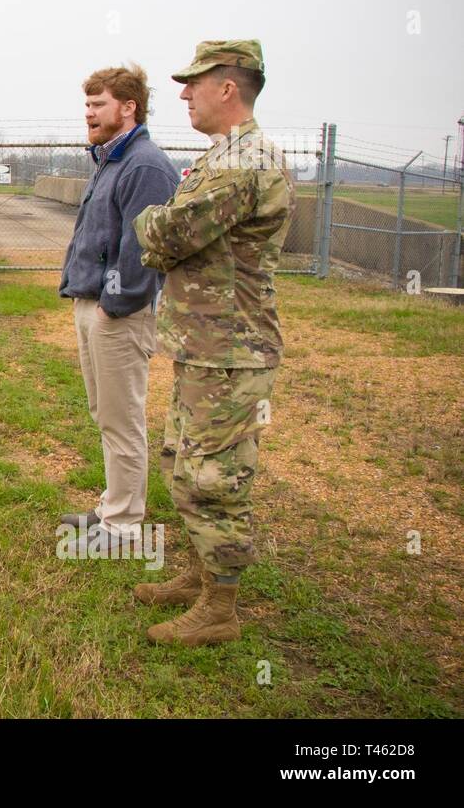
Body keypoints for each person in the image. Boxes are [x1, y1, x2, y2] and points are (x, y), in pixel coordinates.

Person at [132, 40, 295, 646]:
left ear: (228, 87)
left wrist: (152, 226)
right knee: (181, 461)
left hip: (231, 350)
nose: (183, 94)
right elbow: (174, 234)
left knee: (212, 477)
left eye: (194, 83)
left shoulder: (244, 162)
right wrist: (162, 231)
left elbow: (168, 231)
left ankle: (220, 608)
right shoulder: (224, 156)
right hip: (206, 345)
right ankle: (202, 577)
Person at [58, 65, 179, 545]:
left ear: (128, 107)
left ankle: (125, 526)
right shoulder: (111, 160)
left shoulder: (144, 165)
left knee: (122, 418)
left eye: (98, 104)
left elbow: (144, 248)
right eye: (86, 105)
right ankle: (113, 508)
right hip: (94, 305)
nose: (88, 113)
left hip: (118, 314)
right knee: (104, 412)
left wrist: (116, 303)